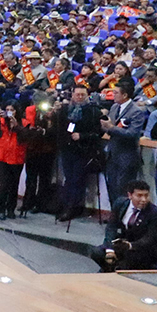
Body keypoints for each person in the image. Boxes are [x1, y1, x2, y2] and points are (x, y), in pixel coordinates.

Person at [89, 180, 157, 272]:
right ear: (130, 195)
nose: (144, 200)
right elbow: (111, 227)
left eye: (146, 195)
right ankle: (111, 269)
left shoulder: (155, 212)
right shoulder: (120, 204)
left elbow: (150, 238)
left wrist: (130, 245)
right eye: (139, 196)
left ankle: (111, 270)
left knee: (126, 260)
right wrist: (110, 249)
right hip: (123, 244)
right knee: (96, 252)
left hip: (144, 249)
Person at [58, 85, 105, 221]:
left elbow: (98, 133)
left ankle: (74, 207)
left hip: (83, 151)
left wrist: (82, 136)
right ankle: (66, 206)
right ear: (72, 95)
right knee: (68, 179)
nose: (79, 97)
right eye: (77, 94)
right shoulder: (65, 110)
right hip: (67, 149)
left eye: (82, 95)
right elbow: (61, 128)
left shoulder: (93, 111)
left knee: (77, 180)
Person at [102, 83, 147, 204]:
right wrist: (104, 126)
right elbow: (110, 129)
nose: (113, 95)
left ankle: (123, 217)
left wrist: (111, 127)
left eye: (116, 93)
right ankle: (115, 216)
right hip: (112, 153)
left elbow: (132, 133)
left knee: (123, 189)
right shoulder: (114, 107)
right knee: (111, 187)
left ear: (125, 95)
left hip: (127, 155)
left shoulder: (136, 111)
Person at [20, 93, 59, 215]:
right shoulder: (29, 111)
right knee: (30, 179)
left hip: (47, 150)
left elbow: (56, 131)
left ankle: (40, 204)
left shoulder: (52, 113)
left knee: (44, 180)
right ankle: (27, 202)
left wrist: (48, 123)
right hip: (32, 148)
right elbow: (25, 126)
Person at [0, 100, 27, 220]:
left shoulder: (23, 123)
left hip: (16, 157)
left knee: (14, 184)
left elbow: (25, 139)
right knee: (4, 184)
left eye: (12, 110)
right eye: (7, 110)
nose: (9, 113)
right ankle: (1, 209)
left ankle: (11, 209)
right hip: (1, 157)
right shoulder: (0, 121)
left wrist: (16, 127)